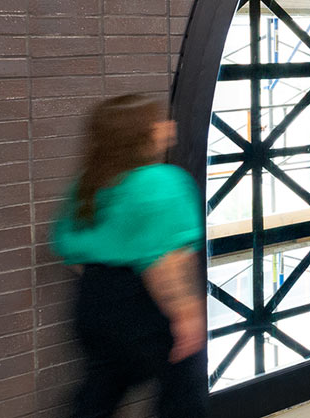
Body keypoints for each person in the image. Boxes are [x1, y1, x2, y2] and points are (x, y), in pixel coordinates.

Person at [53, 94, 208, 418]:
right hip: (144, 305)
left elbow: (71, 251)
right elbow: (166, 262)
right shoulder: (161, 182)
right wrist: (187, 316)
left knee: (101, 391)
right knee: (183, 390)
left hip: (93, 301)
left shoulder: (87, 185)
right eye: (158, 121)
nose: (168, 125)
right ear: (142, 135)